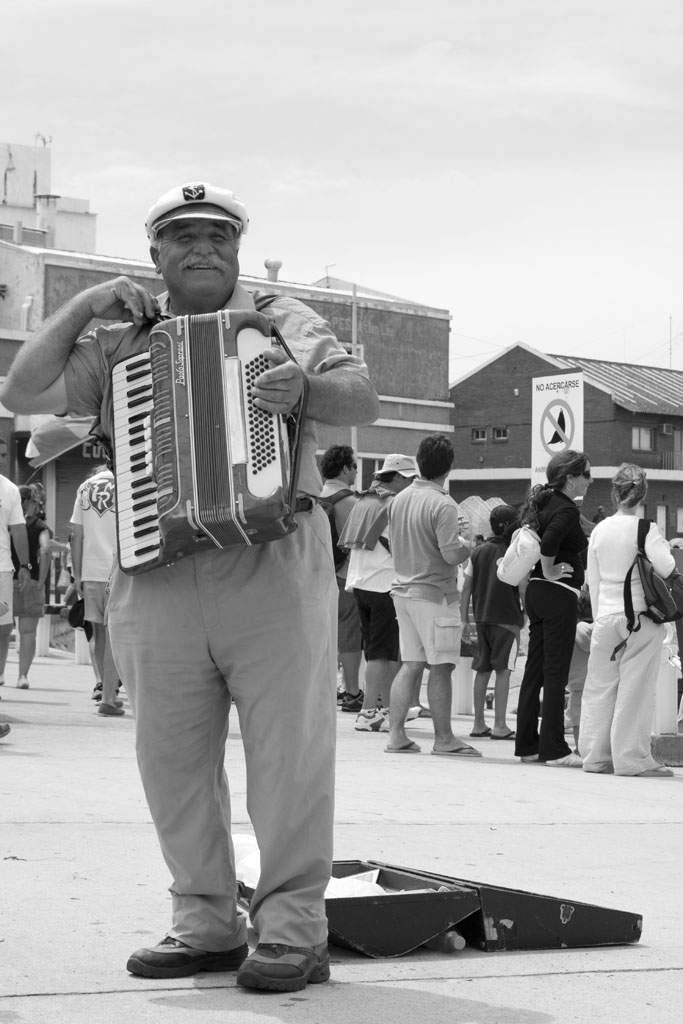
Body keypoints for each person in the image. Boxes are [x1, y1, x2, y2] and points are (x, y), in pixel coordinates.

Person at [0, 180, 379, 992]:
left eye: (217, 235)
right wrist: (85, 303)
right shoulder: (120, 336)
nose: (203, 248)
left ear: (237, 248)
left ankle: (292, 933)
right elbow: (20, 391)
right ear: (155, 253)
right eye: (183, 236)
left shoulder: (283, 318)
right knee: (170, 760)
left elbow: (361, 397)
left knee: (288, 757)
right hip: (157, 567)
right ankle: (205, 923)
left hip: (273, 560)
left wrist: (303, 387)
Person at [384, 434, 479, 757]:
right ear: (448, 468)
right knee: (441, 666)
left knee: (411, 664)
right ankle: (444, 738)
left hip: (402, 590)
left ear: (419, 463)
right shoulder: (444, 504)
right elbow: (451, 554)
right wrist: (469, 545)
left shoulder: (398, 500)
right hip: (435, 593)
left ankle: (396, 734)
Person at [579, 464, 675, 777]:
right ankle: (631, 759)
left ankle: (595, 756)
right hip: (640, 617)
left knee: (600, 688)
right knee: (636, 689)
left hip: (605, 616)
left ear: (614, 492)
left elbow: (593, 579)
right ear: (643, 494)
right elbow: (666, 566)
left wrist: (597, 617)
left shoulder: (600, 530)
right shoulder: (645, 528)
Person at [513, 449, 592, 768]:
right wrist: (551, 570)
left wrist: (544, 573)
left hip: (536, 593)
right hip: (557, 594)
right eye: (586, 475)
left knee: (535, 670)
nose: (589, 481)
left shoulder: (545, 502)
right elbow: (550, 542)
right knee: (556, 672)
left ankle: (528, 745)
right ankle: (555, 749)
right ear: (570, 479)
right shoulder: (566, 509)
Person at [338, 454, 418, 733]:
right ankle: (369, 712)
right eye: (409, 479)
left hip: (360, 583)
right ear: (396, 478)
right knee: (381, 654)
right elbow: (402, 545)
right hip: (384, 585)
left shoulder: (363, 499)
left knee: (378, 651)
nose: (411, 484)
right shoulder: (393, 503)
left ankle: (386, 708)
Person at [460, 504, 522, 740]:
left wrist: (464, 619)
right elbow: (522, 586)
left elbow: (467, 587)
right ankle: (500, 725)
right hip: (507, 618)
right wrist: (527, 614)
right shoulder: (514, 551)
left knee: (482, 669)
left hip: (482, 618)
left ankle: (478, 723)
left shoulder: (478, 551)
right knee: (504, 670)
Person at [70, 465, 123, 717]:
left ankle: (104, 689)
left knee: (99, 633)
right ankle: (109, 697)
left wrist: (77, 575)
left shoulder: (85, 487)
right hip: (118, 569)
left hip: (90, 570)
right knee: (114, 634)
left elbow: (76, 534)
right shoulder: (125, 482)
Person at [319, 444, 363, 713]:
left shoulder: (313, 498)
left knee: (323, 634)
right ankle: (353, 691)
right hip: (343, 575)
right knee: (349, 633)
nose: (356, 471)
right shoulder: (350, 502)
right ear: (345, 468)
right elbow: (357, 544)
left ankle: (326, 688)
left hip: (316, 576)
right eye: (355, 466)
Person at [10, 485, 51, 689]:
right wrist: (41, 580)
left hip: (6, 577)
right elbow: (45, 550)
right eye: (35, 502)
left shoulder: (6, 522)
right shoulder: (39, 525)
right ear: (28, 502)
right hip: (31, 580)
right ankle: (22, 676)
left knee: (2, 630)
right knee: (27, 632)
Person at [0, 438, 31, 692]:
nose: (1, 459)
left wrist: (24, 565)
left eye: (3, 455)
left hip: (1, 568)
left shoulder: (9, 489)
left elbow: (18, 530)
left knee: (3, 626)